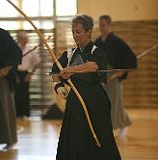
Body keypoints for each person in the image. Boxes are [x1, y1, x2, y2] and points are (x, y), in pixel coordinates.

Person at [51, 14, 121, 160]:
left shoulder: (97, 51)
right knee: (74, 137)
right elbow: (55, 70)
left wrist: (72, 69)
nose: (75, 36)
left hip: (95, 101)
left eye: (79, 32)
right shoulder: (69, 54)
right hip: (75, 101)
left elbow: (94, 66)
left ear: (89, 31)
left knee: (99, 136)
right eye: (73, 32)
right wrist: (58, 86)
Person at [94, 15, 137, 137]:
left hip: (114, 74)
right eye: (100, 25)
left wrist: (122, 70)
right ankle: (124, 122)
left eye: (103, 25)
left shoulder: (117, 41)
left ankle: (111, 128)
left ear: (109, 25)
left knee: (113, 102)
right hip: (102, 75)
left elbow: (130, 57)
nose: (101, 27)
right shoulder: (98, 42)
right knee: (103, 102)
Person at [0, 27, 22, 149]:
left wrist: (6, 68)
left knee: (4, 108)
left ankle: (9, 139)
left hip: (1, 79)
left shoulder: (1, 33)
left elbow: (16, 52)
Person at [14, 30, 41, 119]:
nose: (25, 40)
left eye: (26, 38)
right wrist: (14, 75)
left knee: (25, 94)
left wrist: (30, 74)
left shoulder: (30, 49)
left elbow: (37, 62)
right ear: (19, 39)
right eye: (22, 38)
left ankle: (25, 113)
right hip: (16, 73)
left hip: (26, 74)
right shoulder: (15, 48)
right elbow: (11, 64)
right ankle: (17, 113)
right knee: (16, 94)